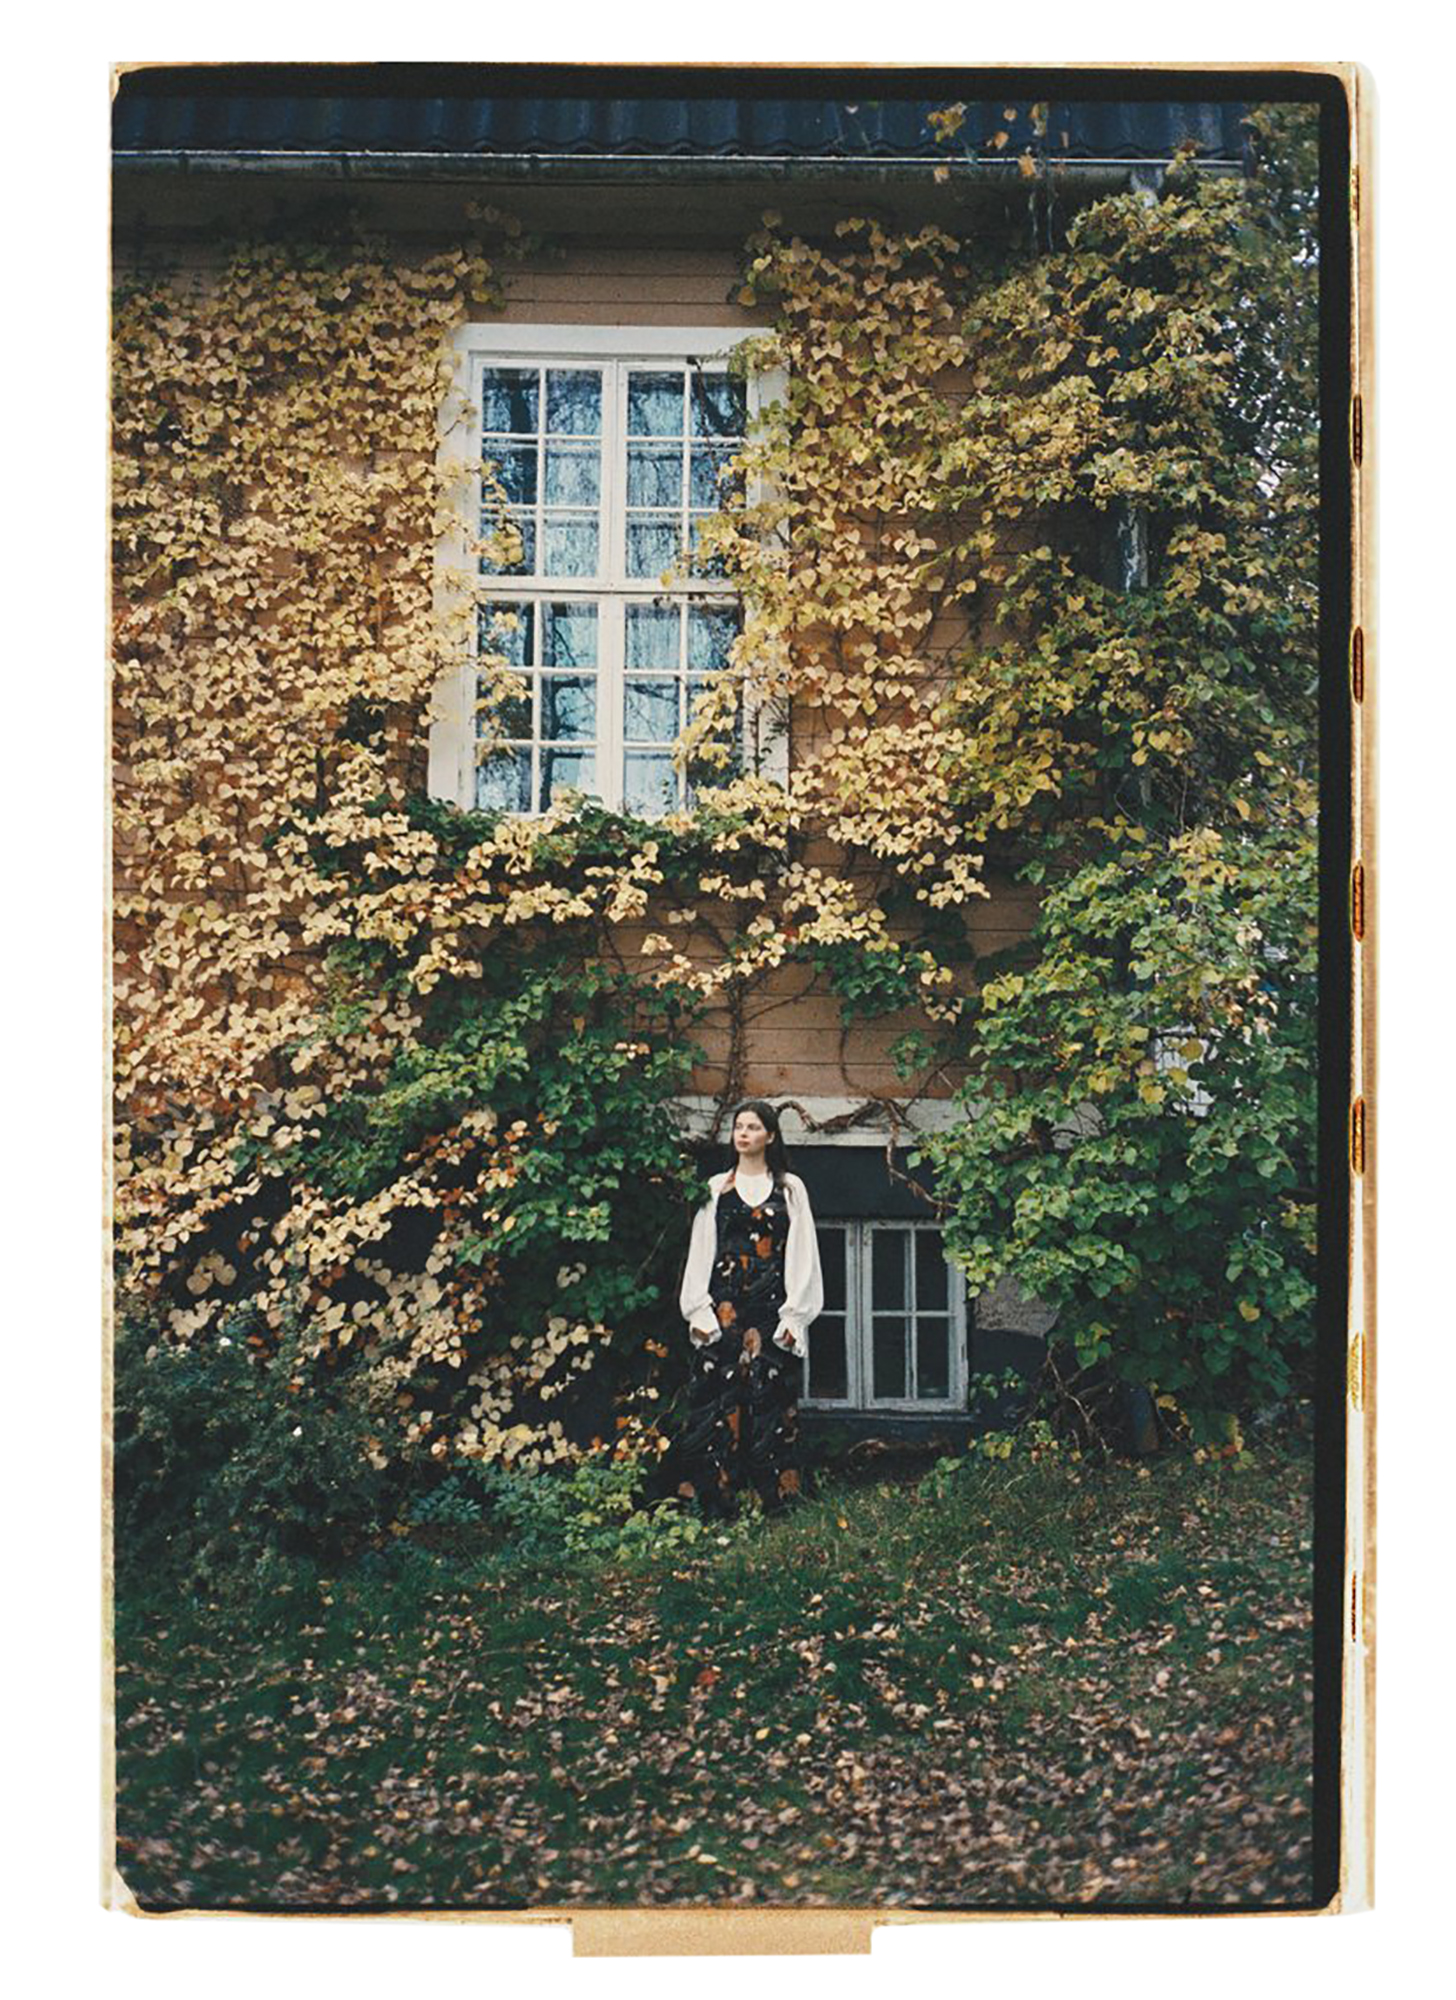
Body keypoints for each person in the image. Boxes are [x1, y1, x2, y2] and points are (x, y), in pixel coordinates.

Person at [675, 1099, 824, 1519]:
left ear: (770, 1136)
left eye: (753, 1127)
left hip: (771, 1312)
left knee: (769, 1400)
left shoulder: (790, 1188)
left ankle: (774, 1503)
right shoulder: (716, 1188)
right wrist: (698, 1312)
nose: (743, 1133)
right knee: (716, 1402)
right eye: (738, 1126)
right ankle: (715, 1502)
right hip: (723, 1313)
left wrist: (796, 1314)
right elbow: (701, 1248)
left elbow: (802, 1252)